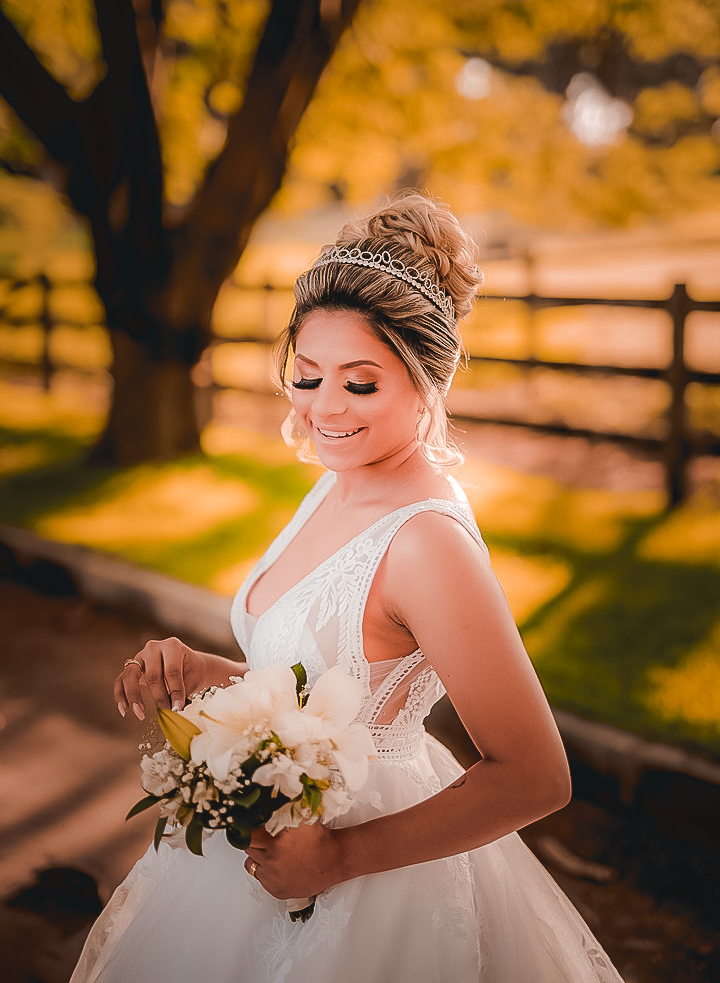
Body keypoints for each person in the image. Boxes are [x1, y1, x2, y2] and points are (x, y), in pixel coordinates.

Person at [71, 194, 624, 982]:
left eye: (359, 385)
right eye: (307, 375)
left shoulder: (426, 542)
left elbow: (536, 775)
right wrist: (209, 673)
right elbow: (337, 692)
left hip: (372, 879)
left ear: (427, 380)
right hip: (273, 850)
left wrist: (340, 857)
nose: (324, 409)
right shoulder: (341, 479)